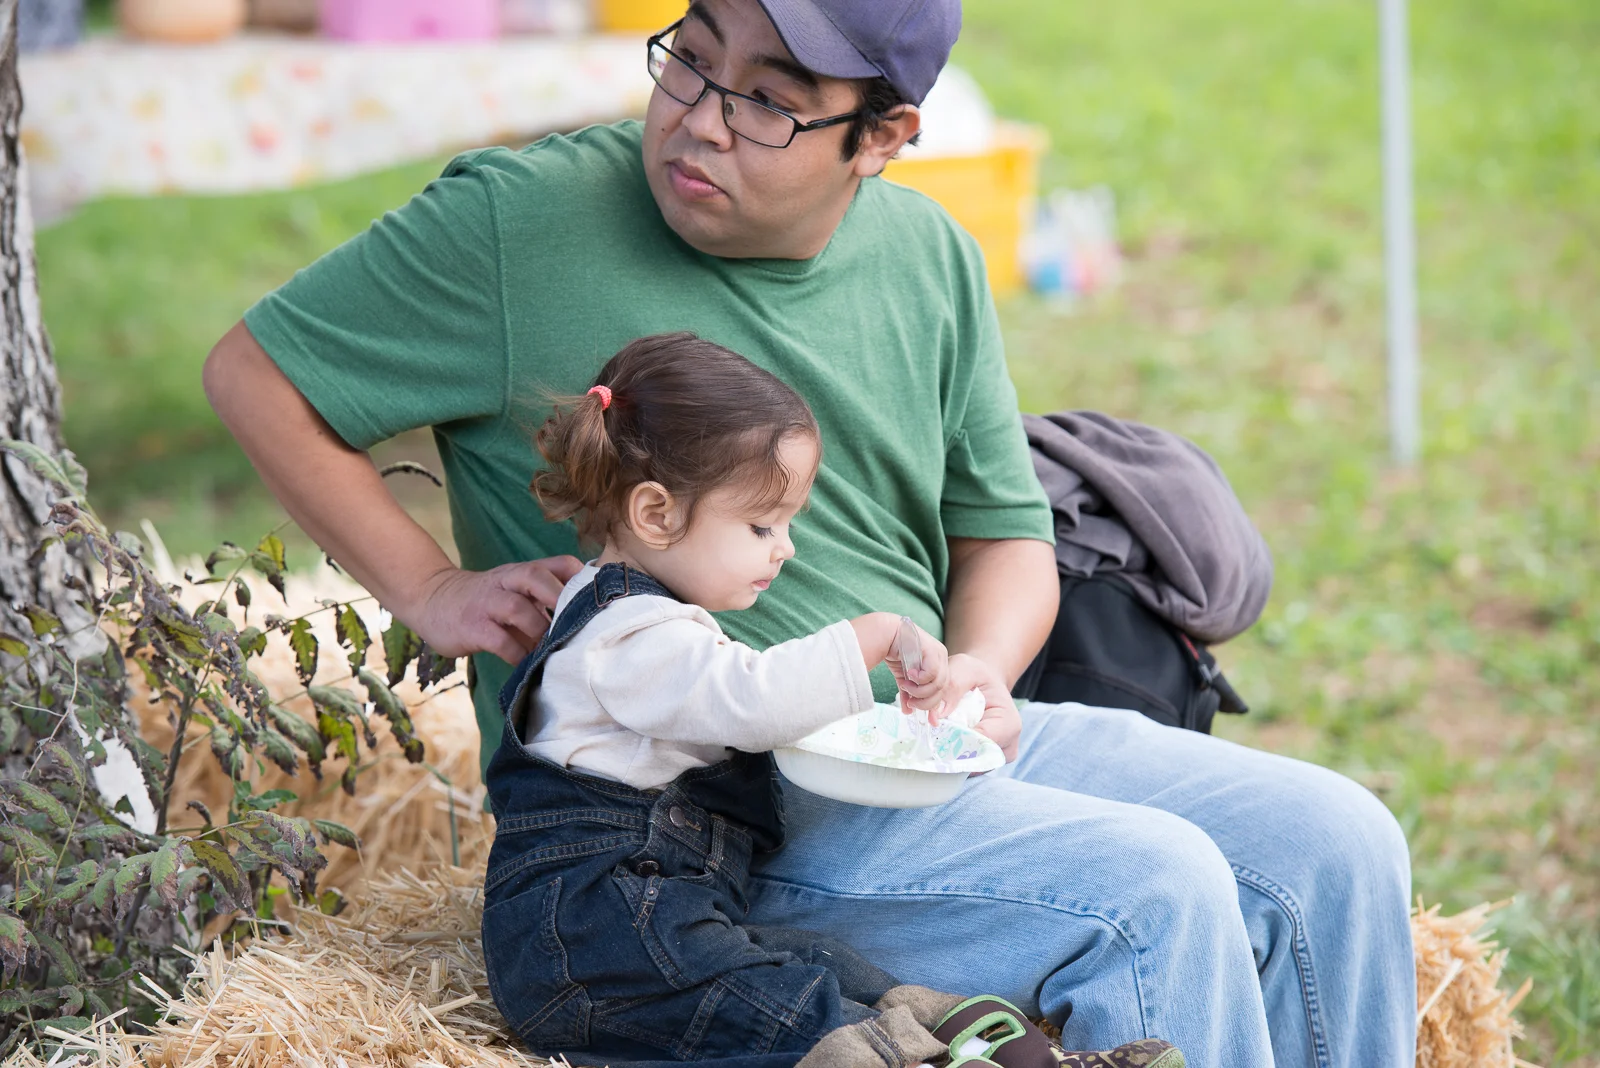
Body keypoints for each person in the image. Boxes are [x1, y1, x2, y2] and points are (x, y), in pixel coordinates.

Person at [202, 0, 1417, 1063]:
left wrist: (981, 676)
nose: (701, 120)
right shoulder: (517, 224)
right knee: (1154, 894)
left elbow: (1004, 534)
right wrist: (429, 587)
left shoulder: (930, 256)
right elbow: (257, 371)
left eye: (771, 102)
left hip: (913, 751)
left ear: (881, 137)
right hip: (708, 817)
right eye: (692, 57)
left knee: (1339, 839)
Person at [481, 331, 1184, 1068]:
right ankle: (912, 1056)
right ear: (656, 514)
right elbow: (749, 700)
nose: (785, 547)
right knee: (783, 1011)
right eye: (762, 524)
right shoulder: (628, 636)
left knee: (821, 964)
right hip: (593, 947)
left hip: (653, 920)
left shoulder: (637, 617)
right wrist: (871, 637)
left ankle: (961, 1037)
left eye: (788, 524)